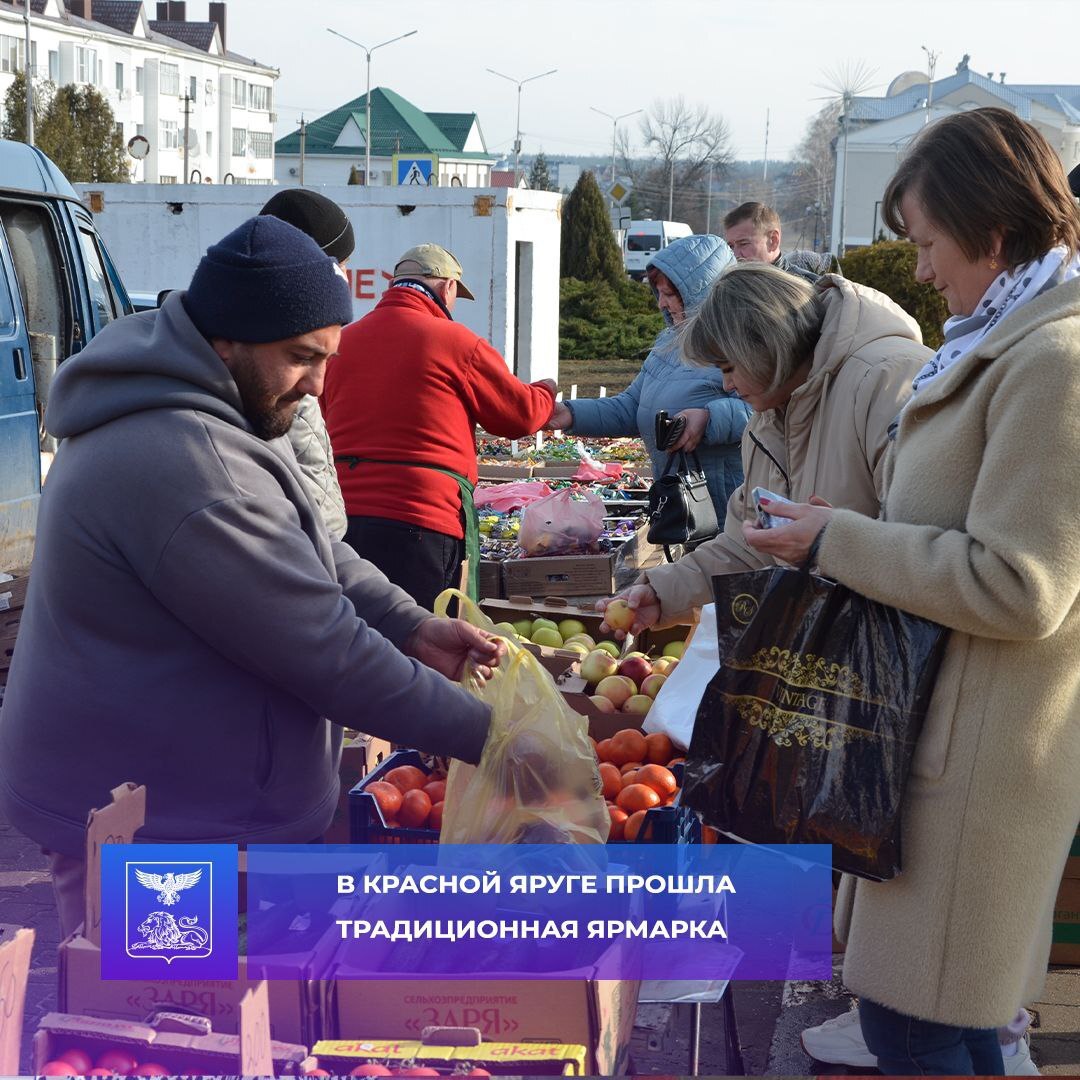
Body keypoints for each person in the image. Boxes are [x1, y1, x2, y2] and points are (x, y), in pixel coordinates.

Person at [0, 217, 503, 937]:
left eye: (328, 357)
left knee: (207, 1025)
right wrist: (498, 737)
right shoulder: (190, 464)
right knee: (165, 1028)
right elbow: (328, 653)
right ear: (227, 340)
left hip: (176, 804)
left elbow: (309, 548)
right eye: (302, 358)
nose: (320, 384)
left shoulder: (208, 411)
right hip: (153, 830)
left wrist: (411, 624)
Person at [739, 107, 1080, 1076]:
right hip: (940, 749)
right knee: (942, 1029)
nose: (921, 269)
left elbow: (1024, 586)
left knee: (922, 1030)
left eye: (929, 243)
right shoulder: (999, 342)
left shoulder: (1053, 364)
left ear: (994, 232)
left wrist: (836, 541)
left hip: (979, 772)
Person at [599, 261, 929, 631]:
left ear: (766, 347)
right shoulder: (768, 417)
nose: (726, 386)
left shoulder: (889, 382)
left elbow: (930, 556)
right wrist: (663, 592)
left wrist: (832, 542)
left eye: (728, 368)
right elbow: (747, 547)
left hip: (888, 659)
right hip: (821, 655)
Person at [322, 243, 557, 609]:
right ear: (447, 287)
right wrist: (546, 391)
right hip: (422, 521)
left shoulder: (342, 342)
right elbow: (520, 415)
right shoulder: (456, 341)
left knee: (357, 640)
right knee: (423, 644)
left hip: (344, 520)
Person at [547, 234, 751, 519]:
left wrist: (709, 418)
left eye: (670, 295)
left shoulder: (740, 343)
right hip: (680, 507)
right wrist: (568, 414)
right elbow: (631, 407)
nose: (661, 304)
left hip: (725, 508)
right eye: (659, 293)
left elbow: (762, 413)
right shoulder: (668, 343)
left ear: (701, 292)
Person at [260, 188, 354, 540]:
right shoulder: (274, 358)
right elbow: (306, 465)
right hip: (306, 546)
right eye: (340, 263)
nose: (315, 383)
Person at [724, 201, 835, 281]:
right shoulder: (724, 289)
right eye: (731, 246)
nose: (735, 254)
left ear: (773, 240)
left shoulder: (807, 290)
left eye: (743, 244)